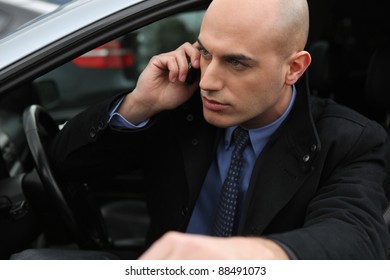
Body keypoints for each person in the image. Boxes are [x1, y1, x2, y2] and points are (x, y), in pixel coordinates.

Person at [15, 0, 389, 259]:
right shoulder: (181, 106)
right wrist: (139, 104)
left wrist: (239, 258)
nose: (208, 80)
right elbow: (64, 164)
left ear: (294, 68)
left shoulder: (350, 140)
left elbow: (358, 237)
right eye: (206, 53)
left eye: (236, 63)